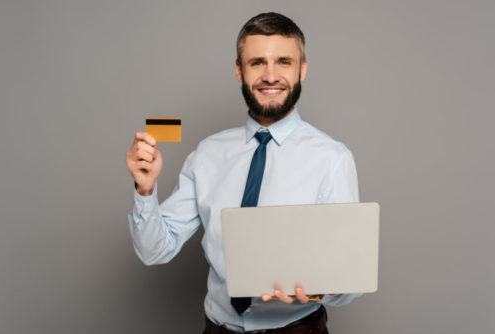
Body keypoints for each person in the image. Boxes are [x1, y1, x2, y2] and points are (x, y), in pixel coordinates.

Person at [126, 12, 361, 333]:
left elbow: (350, 282)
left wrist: (325, 288)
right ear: (239, 70)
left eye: (284, 62)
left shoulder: (332, 158)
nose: (270, 75)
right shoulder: (207, 153)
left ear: (302, 69)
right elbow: (155, 251)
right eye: (257, 63)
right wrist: (145, 190)